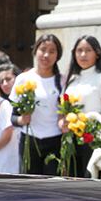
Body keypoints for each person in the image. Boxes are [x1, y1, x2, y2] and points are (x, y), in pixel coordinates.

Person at [10, 34, 64, 176]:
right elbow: (13, 117)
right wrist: (22, 120)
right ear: (35, 51)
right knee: (29, 186)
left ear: (58, 55)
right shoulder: (23, 79)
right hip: (29, 140)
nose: (46, 55)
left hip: (55, 141)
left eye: (52, 51)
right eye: (43, 49)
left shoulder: (62, 81)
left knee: (51, 186)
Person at [63, 35, 101, 176]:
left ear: (97, 53)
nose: (83, 55)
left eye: (88, 50)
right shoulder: (72, 79)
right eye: (79, 50)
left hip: (92, 140)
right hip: (72, 139)